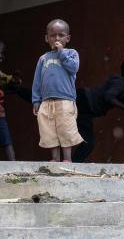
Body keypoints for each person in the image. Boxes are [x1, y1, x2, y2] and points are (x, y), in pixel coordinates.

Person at [31, 19, 83, 162]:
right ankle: (54, 158)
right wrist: (36, 100)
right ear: (46, 38)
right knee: (49, 131)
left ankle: (67, 159)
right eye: (53, 35)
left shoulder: (71, 53)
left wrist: (61, 53)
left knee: (66, 130)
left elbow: (73, 68)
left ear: (68, 38)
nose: (57, 38)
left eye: (61, 35)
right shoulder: (43, 59)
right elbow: (37, 81)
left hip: (65, 101)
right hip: (46, 102)